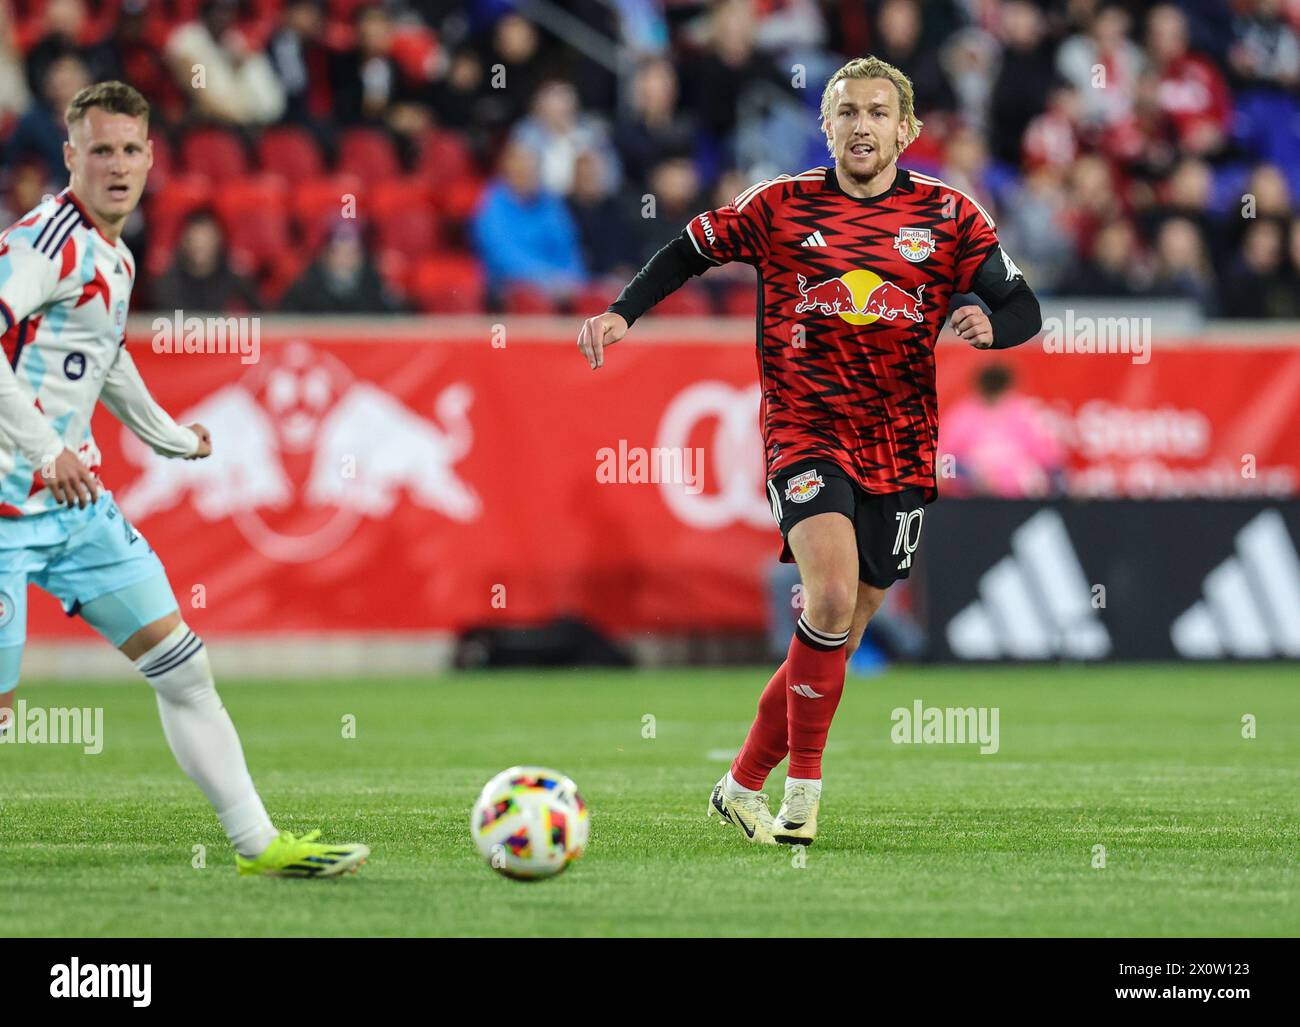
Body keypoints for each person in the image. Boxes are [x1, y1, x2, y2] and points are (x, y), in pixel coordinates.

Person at [576, 56, 1041, 846]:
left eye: (876, 112)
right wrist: (625, 313)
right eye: (846, 112)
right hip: (805, 429)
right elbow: (690, 247)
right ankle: (805, 791)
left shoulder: (950, 216)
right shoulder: (782, 207)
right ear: (825, 127)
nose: (861, 125)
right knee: (825, 600)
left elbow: (1021, 302)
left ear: (907, 129)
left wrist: (995, 326)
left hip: (901, 444)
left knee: (841, 635)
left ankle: (739, 784)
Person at [0, 81, 367, 878]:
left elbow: (105, 356)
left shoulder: (117, 255)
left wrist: (169, 436)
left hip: (72, 507)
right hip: (7, 501)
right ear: (70, 157)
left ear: (152, 156)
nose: (118, 165)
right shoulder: (47, 239)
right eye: (100, 149)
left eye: (131, 148)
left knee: (183, 664)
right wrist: (40, 448)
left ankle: (258, 843)